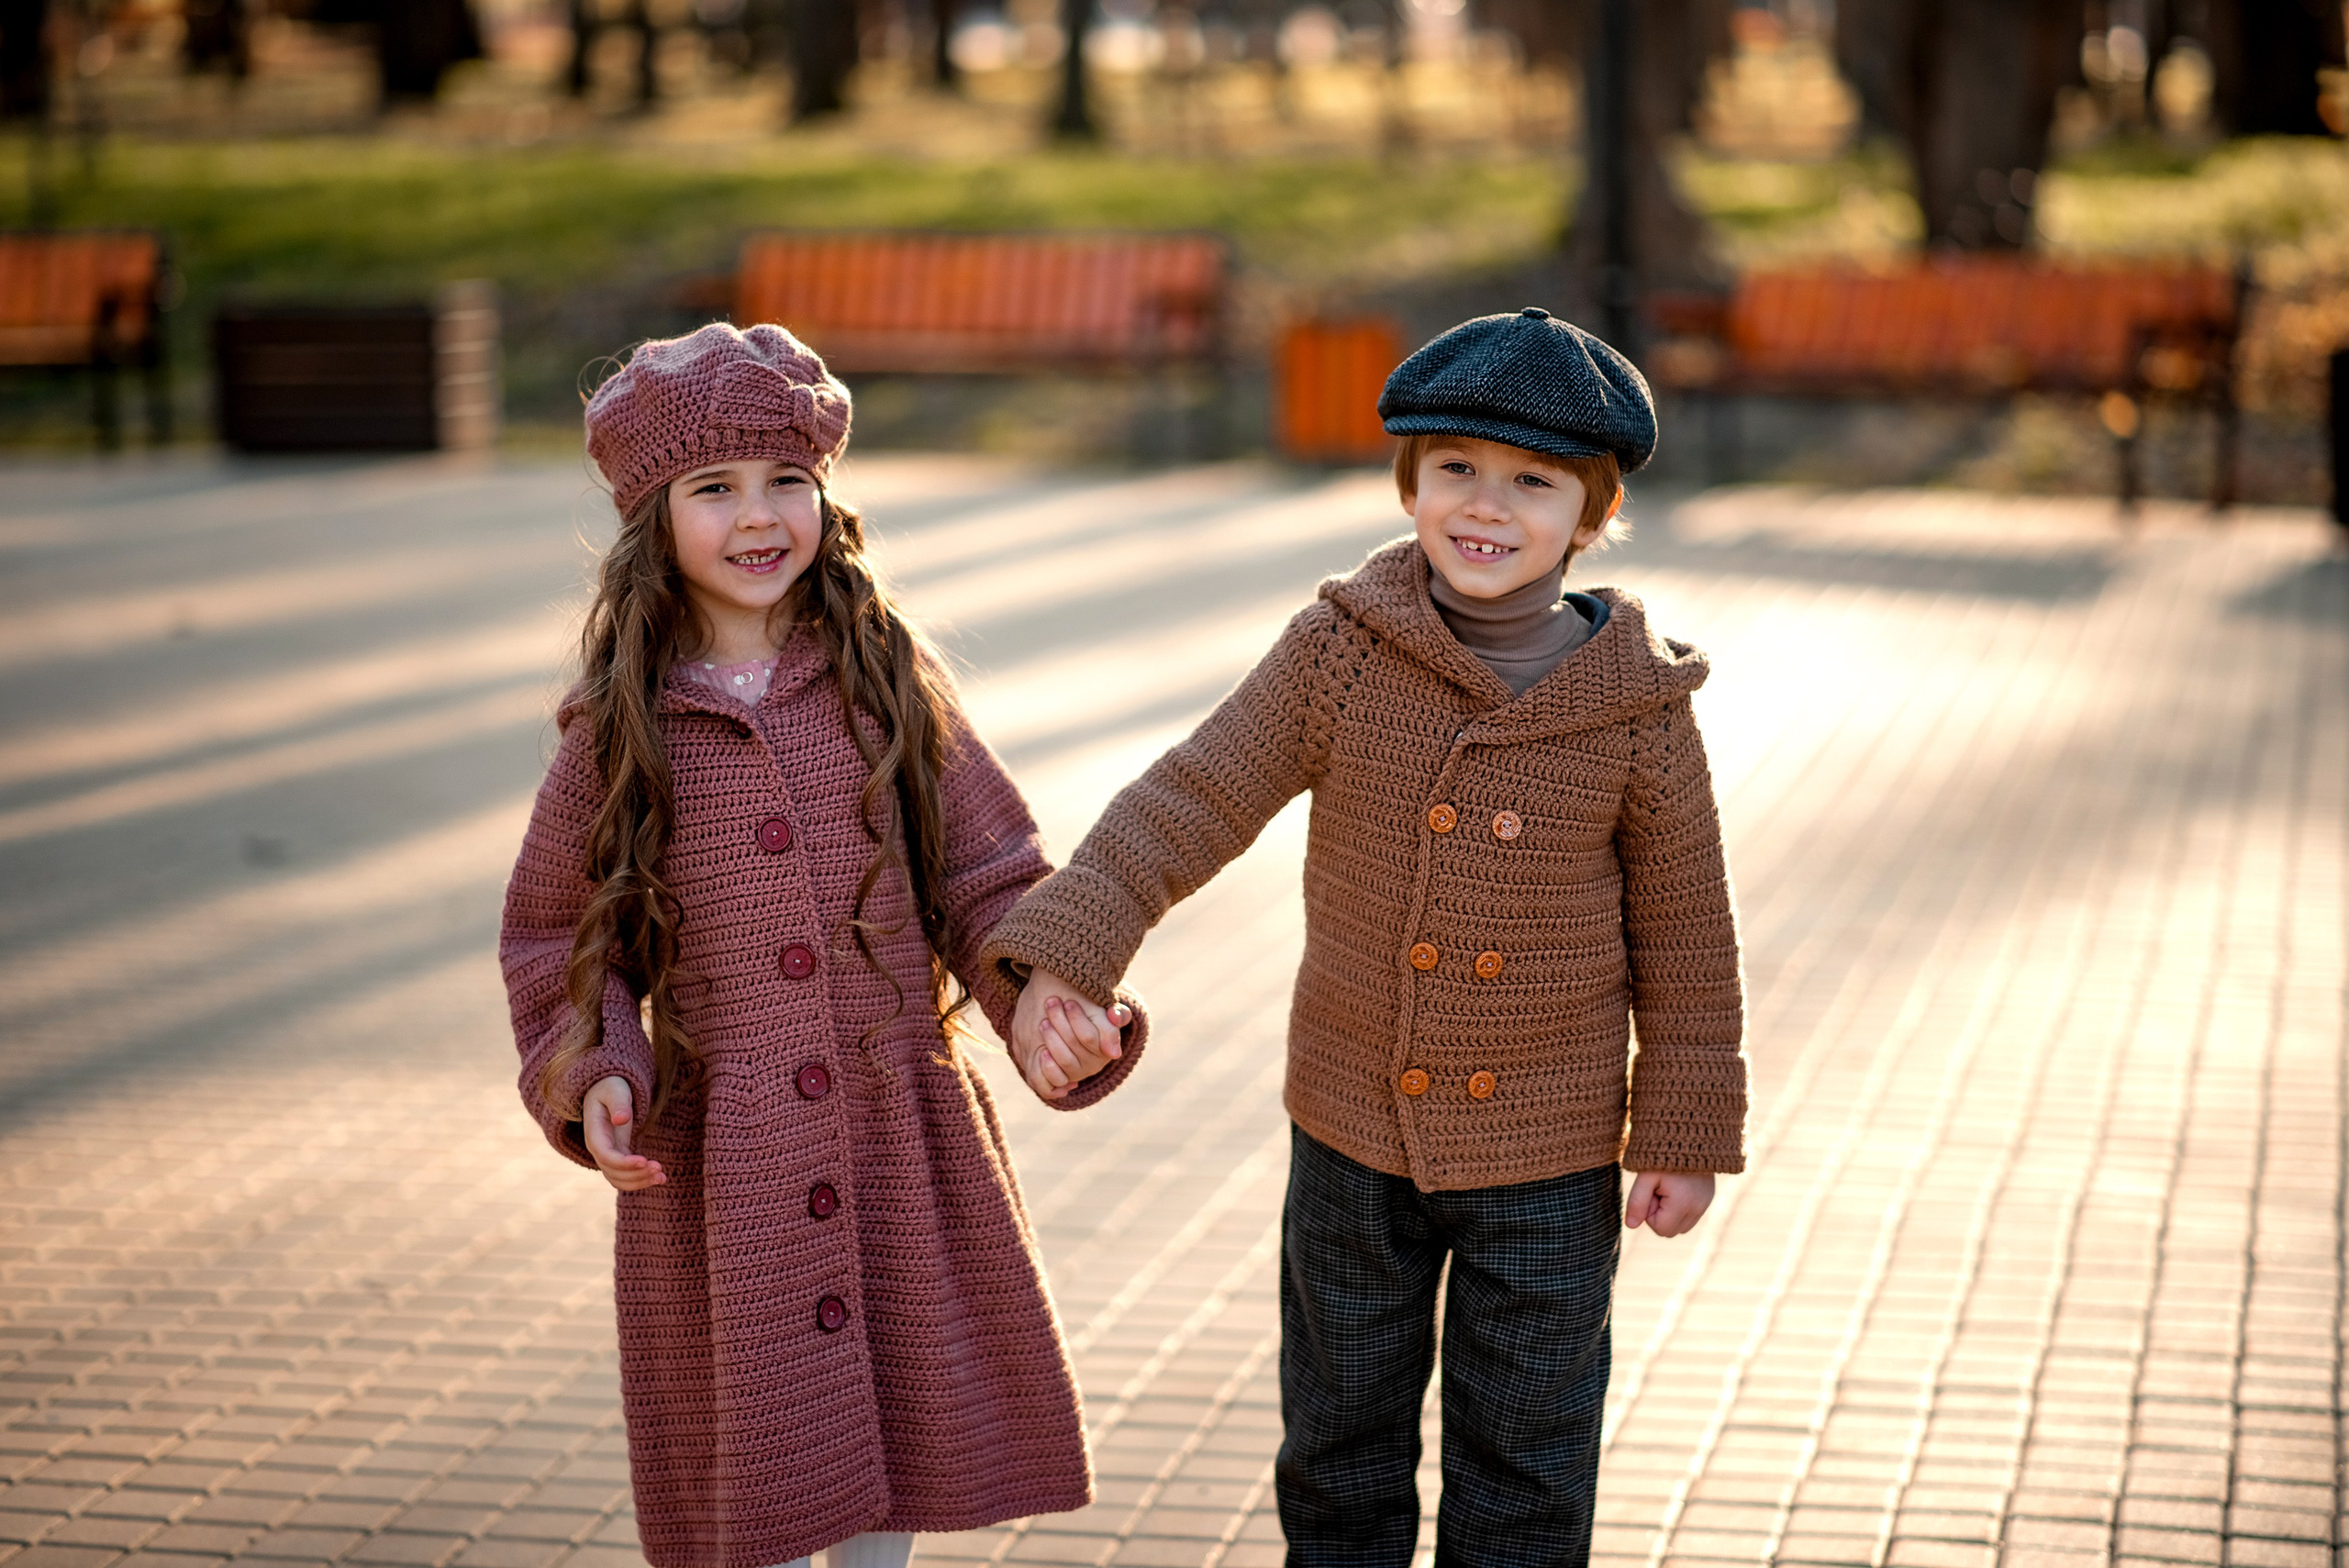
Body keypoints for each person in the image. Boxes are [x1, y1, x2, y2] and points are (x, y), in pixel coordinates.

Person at [984, 308, 1747, 1567]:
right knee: (1340, 1448)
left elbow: (1688, 937)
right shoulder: (1342, 649)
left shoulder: (1637, 707)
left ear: (1591, 512)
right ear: (1408, 481)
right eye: (1455, 469)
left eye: (1532, 482)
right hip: (1350, 1134)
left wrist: (1682, 1128)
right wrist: (1072, 946)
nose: (1485, 507)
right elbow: (1194, 793)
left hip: (1547, 1155)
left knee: (1527, 1462)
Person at [499, 324, 1138, 1568]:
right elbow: (559, 936)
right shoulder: (618, 727)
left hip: (892, 1131)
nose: (759, 515)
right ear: (654, 518)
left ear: (828, 497)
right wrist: (594, 1070)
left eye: (786, 480)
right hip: (723, 1160)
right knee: (768, 1472)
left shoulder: (885, 682)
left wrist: (1048, 992)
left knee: (893, 1445)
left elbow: (989, 874)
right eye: (715, 488)